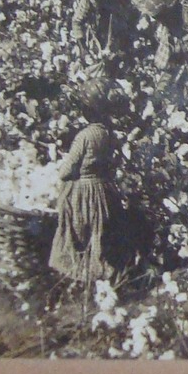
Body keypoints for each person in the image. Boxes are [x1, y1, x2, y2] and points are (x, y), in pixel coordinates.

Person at [49, 84, 120, 288]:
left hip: (84, 191)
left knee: (80, 233)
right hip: (103, 189)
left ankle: (81, 278)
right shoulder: (108, 134)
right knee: (98, 233)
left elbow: (67, 169)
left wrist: (63, 175)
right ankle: (101, 278)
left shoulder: (84, 136)